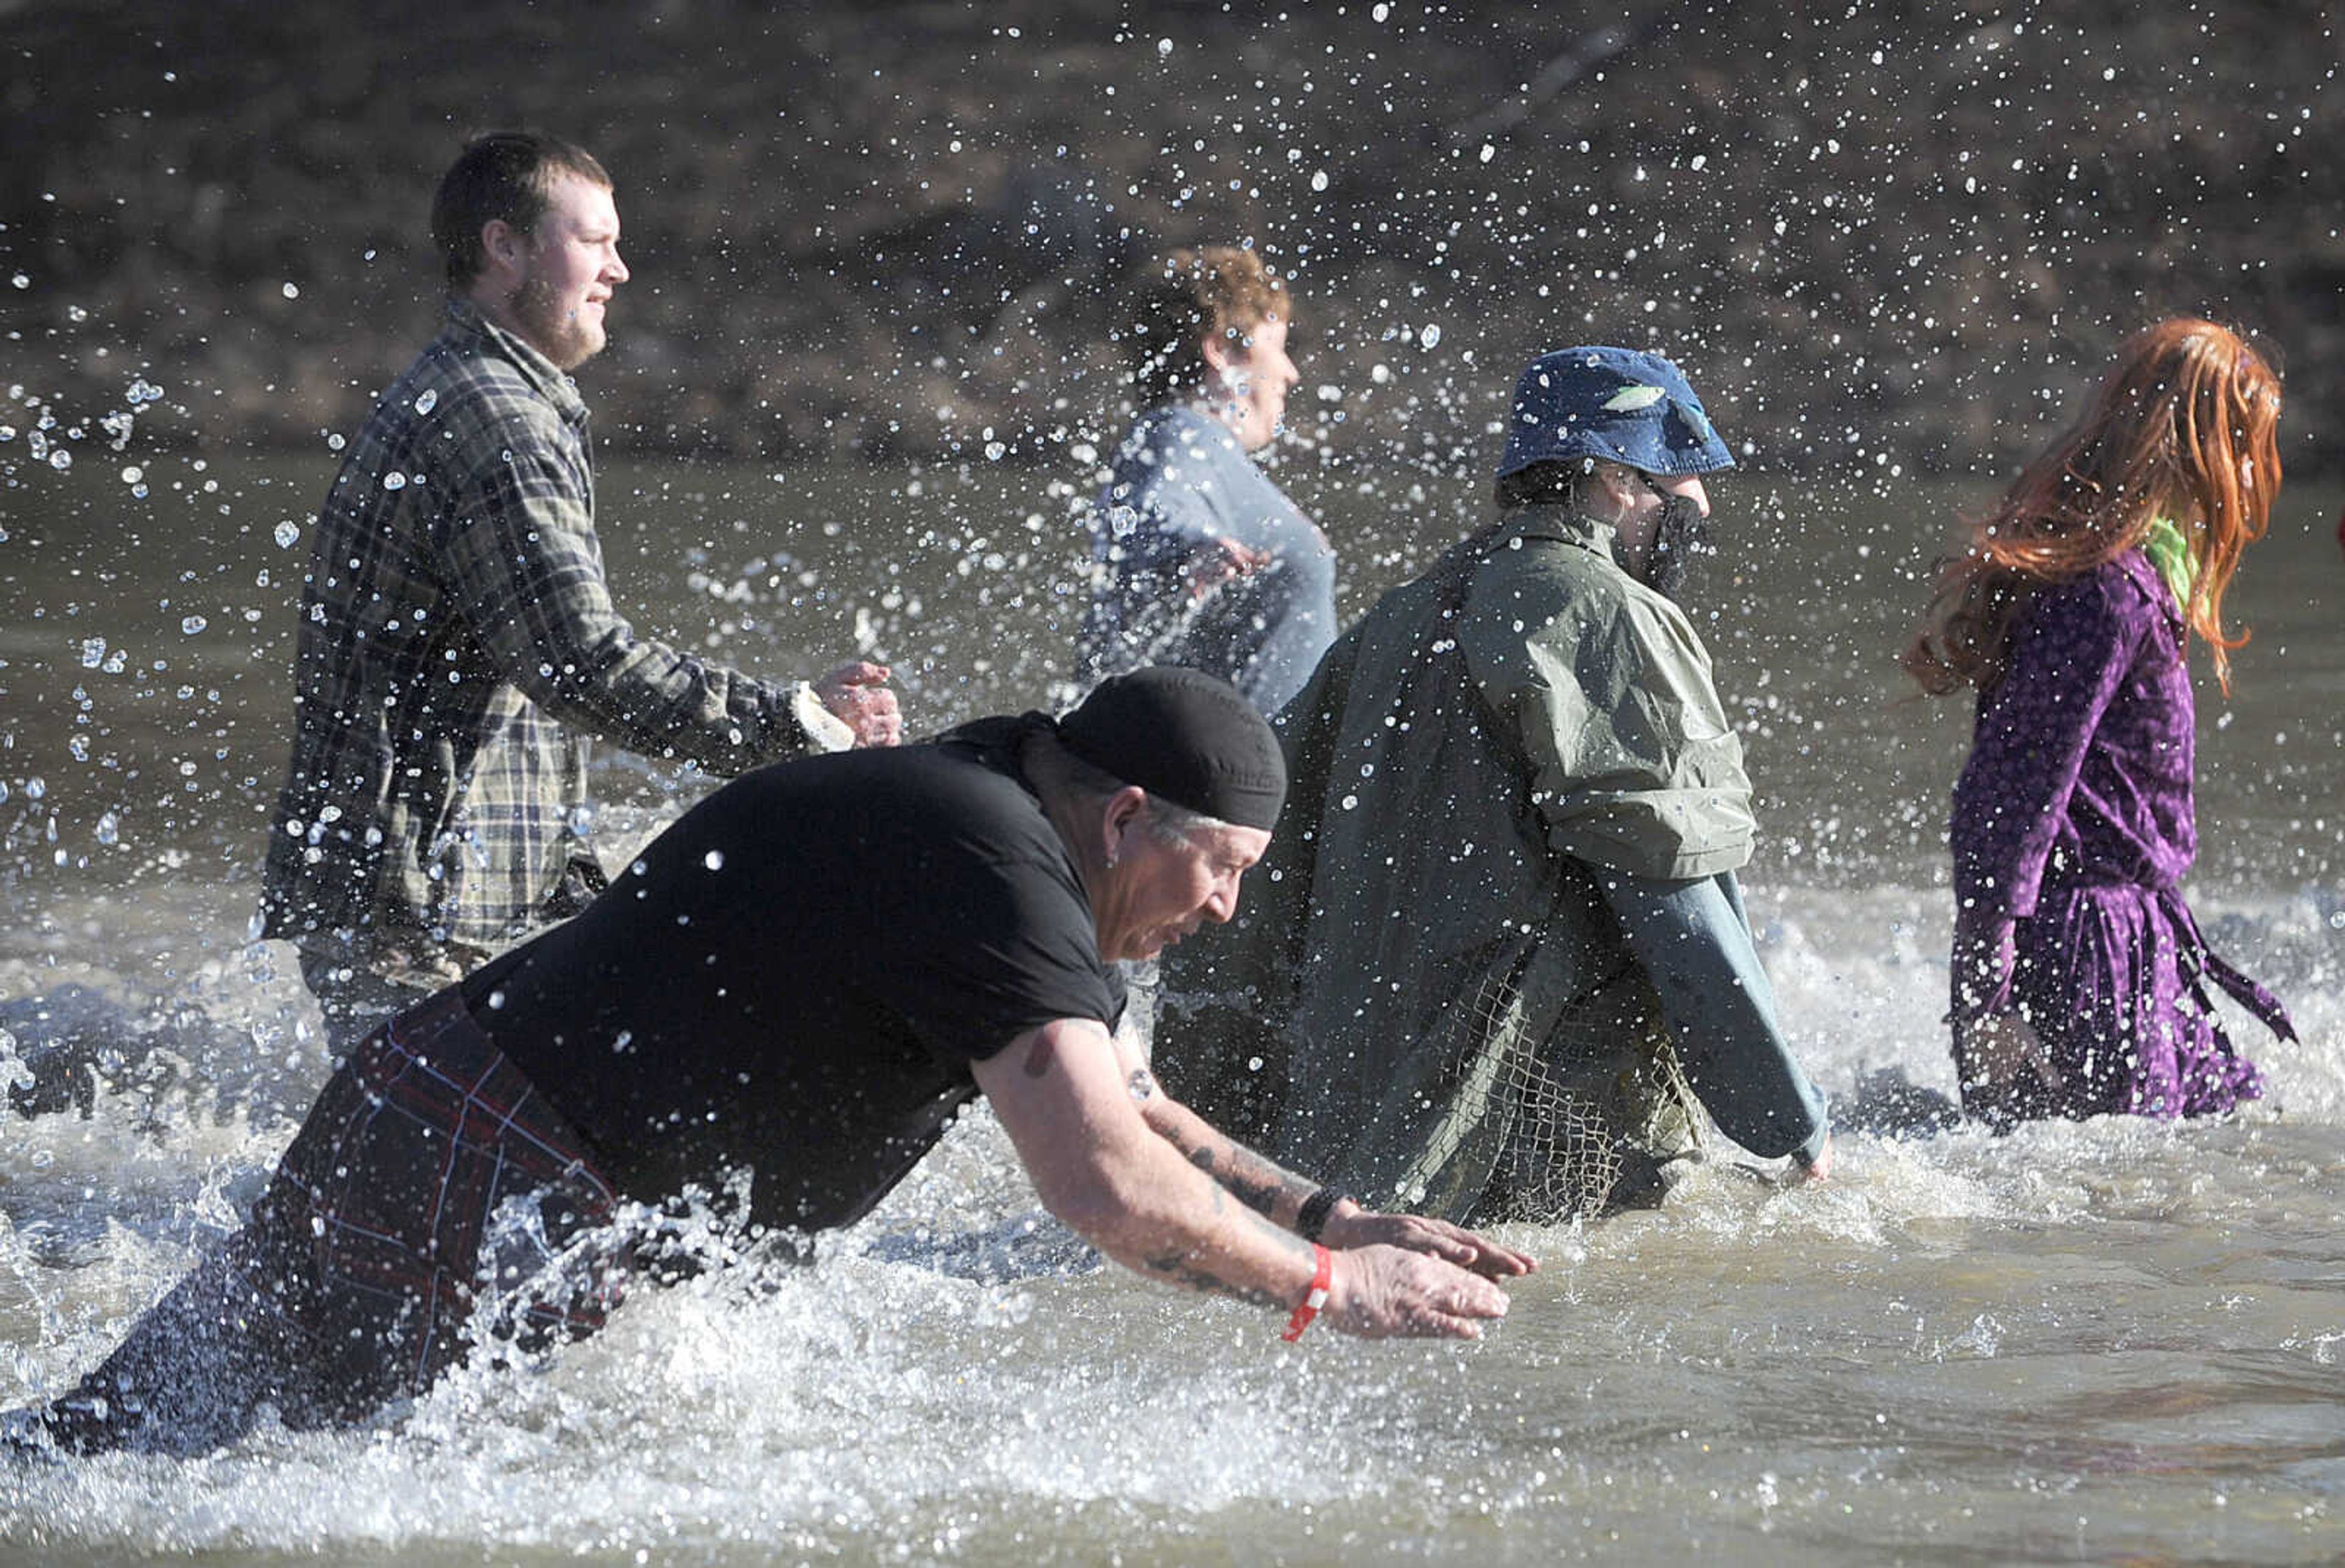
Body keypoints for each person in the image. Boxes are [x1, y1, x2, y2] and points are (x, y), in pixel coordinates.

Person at [13, 668, 1533, 1457]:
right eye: (1225, 867)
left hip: (478, 1140)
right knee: (170, 1470)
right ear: (1129, 813)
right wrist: (1327, 1292)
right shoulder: (988, 853)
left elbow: (1130, 1100)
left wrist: (1332, 1214)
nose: (1228, 908)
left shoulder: (1000, 824)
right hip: (471, 1153)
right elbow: (1103, 1183)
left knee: (151, 1439)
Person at [1155, 346, 1833, 1224]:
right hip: (1536, 1140)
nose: (1696, 510)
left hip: (1352, 1145)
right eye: (1679, 483)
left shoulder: (1397, 616)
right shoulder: (1604, 612)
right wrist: (1789, 1121)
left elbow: (1255, 884)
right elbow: (1677, 896)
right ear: (1616, 479)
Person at [258, 131, 900, 1051]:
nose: (620, 270)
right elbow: (580, 661)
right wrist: (797, 726)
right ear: (504, 247)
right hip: (418, 913)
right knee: (449, 1183)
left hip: (436, 895)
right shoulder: (497, 421)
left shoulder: (474, 391)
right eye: (593, 241)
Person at [1902, 318, 2296, 1126]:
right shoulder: (2103, 593)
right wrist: (1986, 999)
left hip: (2136, 933)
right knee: (2112, 1215)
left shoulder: (2140, 580)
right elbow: (2010, 789)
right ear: (2196, 449)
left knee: (2218, 1137)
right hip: (2081, 950)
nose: (2257, 469)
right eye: (2248, 443)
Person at [1073, 245, 1336, 716]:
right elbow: (1148, 513)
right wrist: (1191, 547)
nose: (1290, 373)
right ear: (1220, 351)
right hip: (1228, 778)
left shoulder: (1211, 453)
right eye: (1276, 348)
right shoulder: (1181, 435)